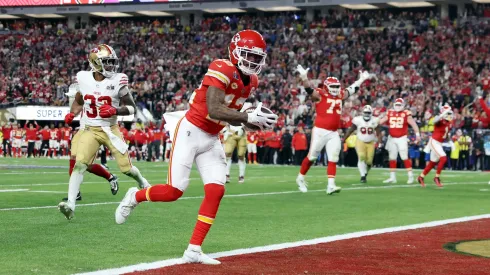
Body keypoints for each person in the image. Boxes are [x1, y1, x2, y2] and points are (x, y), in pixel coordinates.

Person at [114, 30, 277, 265]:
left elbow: (228, 116)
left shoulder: (252, 81)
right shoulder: (222, 67)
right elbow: (213, 108)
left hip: (212, 137)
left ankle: (193, 249)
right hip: (191, 130)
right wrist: (245, 117)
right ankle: (135, 196)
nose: (252, 62)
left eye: (256, 57)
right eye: (248, 55)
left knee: (216, 191)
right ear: (235, 51)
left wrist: (250, 122)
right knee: (174, 191)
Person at [58, 44, 150, 220]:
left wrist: (115, 111)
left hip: (110, 129)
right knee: (80, 164)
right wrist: (72, 112)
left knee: (127, 169)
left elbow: (132, 108)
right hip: (90, 129)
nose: (110, 66)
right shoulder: (84, 79)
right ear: (95, 63)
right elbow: (78, 101)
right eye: (106, 62)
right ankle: (71, 204)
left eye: (111, 62)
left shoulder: (118, 80)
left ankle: (141, 181)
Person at [295, 64, 372, 194]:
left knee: (333, 156)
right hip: (320, 130)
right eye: (333, 87)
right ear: (326, 87)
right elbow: (309, 89)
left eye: (337, 86)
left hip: (333, 132)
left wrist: (361, 79)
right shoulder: (320, 94)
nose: (336, 89)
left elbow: (352, 89)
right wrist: (304, 78)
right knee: (312, 157)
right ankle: (300, 177)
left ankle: (331, 185)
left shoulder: (340, 95)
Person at [378, 98, 421, 184]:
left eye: (399, 105)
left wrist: (418, 135)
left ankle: (410, 176)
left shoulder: (406, 113)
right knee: (392, 158)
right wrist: (373, 122)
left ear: (403, 105)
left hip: (402, 138)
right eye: (396, 104)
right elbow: (380, 122)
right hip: (392, 138)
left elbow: (413, 124)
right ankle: (392, 177)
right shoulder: (390, 112)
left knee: (404, 157)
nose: (397, 106)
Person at [418, 105, 453, 187]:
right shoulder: (439, 119)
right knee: (443, 158)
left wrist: (450, 142)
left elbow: (446, 134)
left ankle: (421, 177)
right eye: (447, 113)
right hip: (434, 141)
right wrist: (442, 114)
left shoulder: (448, 122)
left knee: (432, 163)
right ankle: (436, 177)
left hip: (439, 143)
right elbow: (434, 121)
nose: (449, 115)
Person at [344, 105, 380, 183]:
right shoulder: (358, 120)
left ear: (371, 113)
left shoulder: (375, 120)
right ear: (362, 112)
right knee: (361, 157)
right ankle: (363, 176)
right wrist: (344, 139)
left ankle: (365, 172)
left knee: (369, 162)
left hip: (371, 142)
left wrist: (379, 142)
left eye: (368, 113)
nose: (367, 114)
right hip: (360, 141)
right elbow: (351, 130)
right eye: (365, 112)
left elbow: (378, 133)